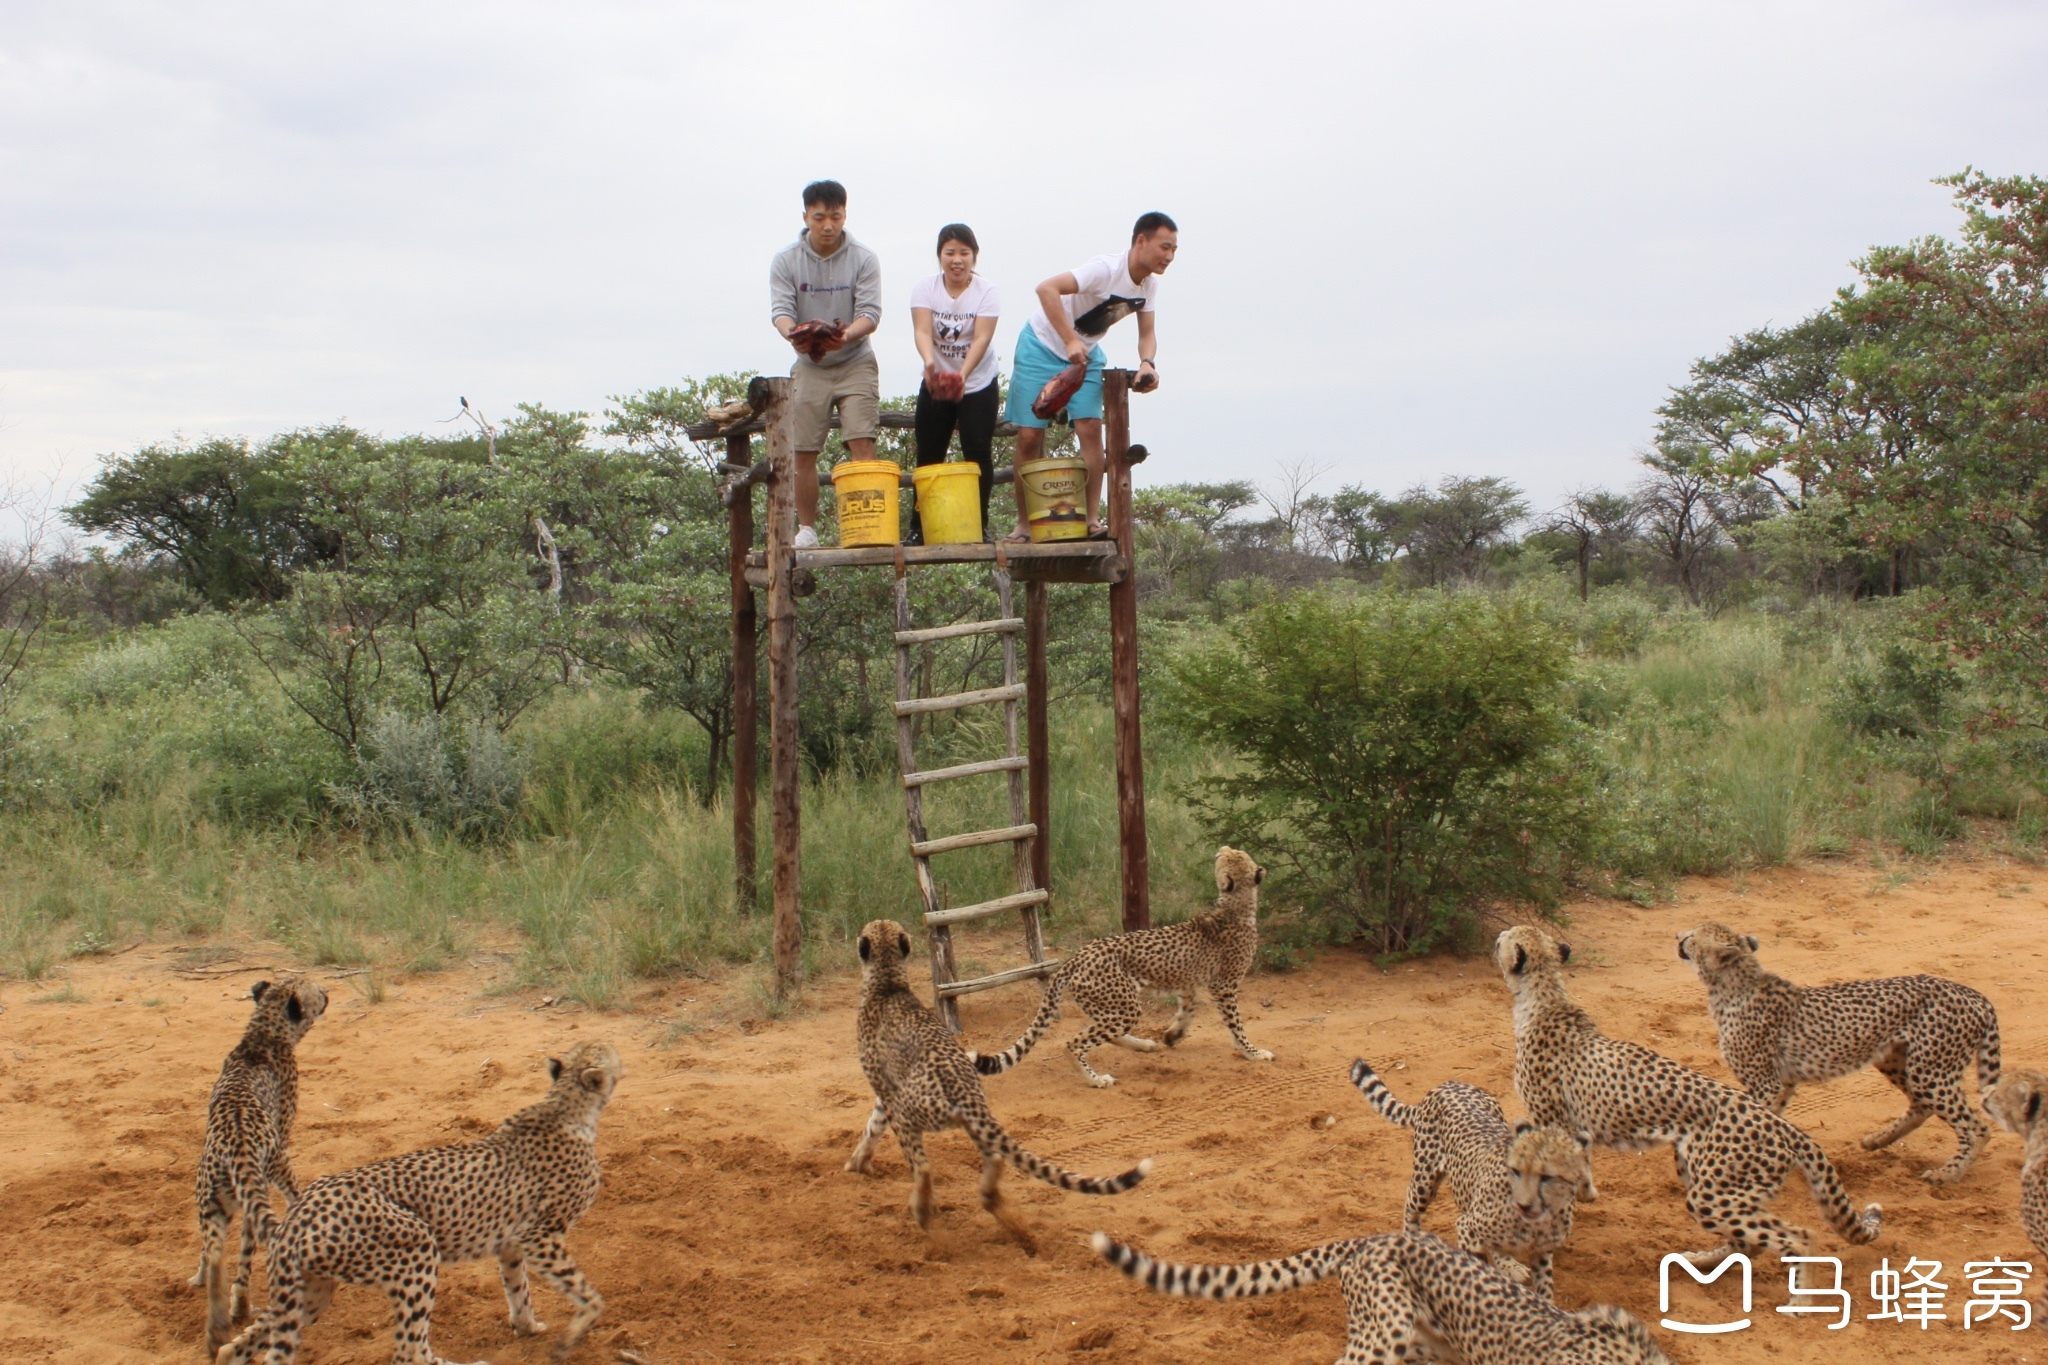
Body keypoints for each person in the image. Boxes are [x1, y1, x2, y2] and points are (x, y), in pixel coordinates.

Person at [1002, 212, 1176, 540]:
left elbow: (1147, 332)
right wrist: (1069, 339)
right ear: (1142, 241)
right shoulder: (1104, 270)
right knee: (1029, 435)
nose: (1169, 256)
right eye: (1164, 247)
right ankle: (1025, 523)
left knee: (1091, 428)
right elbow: (1046, 289)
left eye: (1174, 250)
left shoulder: (1149, 286)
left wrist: (1147, 362)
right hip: (1041, 343)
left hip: (1086, 355)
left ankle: (1091, 519)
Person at [769, 180, 883, 548]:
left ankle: (867, 526)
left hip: (855, 360)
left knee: (861, 439)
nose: (828, 225)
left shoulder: (864, 258)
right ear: (806, 218)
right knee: (803, 449)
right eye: (820, 218)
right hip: (808, 365)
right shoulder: (786, 260)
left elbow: (870, 313)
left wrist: (846, 335)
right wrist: (795, 335)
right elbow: (781, 313)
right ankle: (807, 530)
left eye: (835, 216)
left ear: (845, 215)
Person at [908, 223, 1001, 542]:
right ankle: (918, 529)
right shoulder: (925, 288)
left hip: (977, 381)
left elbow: (983, 337)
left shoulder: (987, 291)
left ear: (974, 256)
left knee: (977, 451)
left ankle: (980, 525)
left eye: (964, 252)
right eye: (950, 253)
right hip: (937, 381)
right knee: (929, 452)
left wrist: (962, 376)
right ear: (940, 256)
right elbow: (922, 331)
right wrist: (930, 364)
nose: (957, 260)